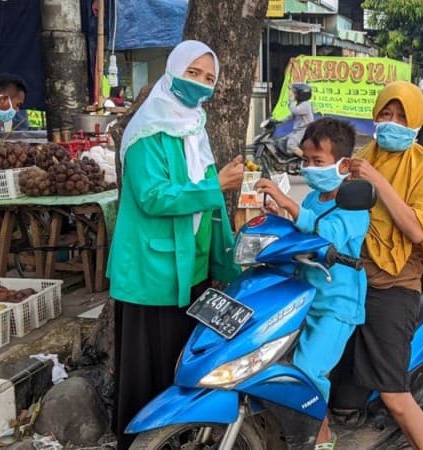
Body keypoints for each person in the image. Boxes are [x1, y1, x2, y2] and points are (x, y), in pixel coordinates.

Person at [107, 40, 244, 449]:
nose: (200, 84)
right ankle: (142, 440)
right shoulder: (147, 132)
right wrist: (215, 185)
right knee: (148, 362)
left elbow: (207, 203)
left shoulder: (193, 126)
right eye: (193, 73)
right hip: (153, 270)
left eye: (208, 78)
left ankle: (179, 436)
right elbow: (153, 197)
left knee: (181, 359)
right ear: (172, 71)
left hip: (192, 265)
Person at [346, 81, 423, 450]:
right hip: (353, 274)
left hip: (395, 282)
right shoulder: (364, 155)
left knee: (394, 395)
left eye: (402, 116)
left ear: (417, 120)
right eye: (386, 114)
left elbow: (416, 229)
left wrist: (376, 180)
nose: (391, 123)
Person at [255, 117, 369, 449]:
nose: (309, 168)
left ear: (343, 164)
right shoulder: (311, 199)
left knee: (308, 371)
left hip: (337, 307)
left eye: (317, 161)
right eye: (305, 161)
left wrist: (288, 202)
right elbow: (301, 232)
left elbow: (327, 235)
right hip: (305, 298)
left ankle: (321, 438)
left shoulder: (353, 205)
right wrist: (281, 214)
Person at [278, 83, 315, 157]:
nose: (290, 93)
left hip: (304, 130)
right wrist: (279, 121)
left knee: (291, 145)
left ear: (300, 94)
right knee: (281, 141)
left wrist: (291, 101)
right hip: (297, 130)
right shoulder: (300, 104)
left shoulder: (306, 105)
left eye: (293, 92)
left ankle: (307, 160)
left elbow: (294, 111)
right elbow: (291, 117)